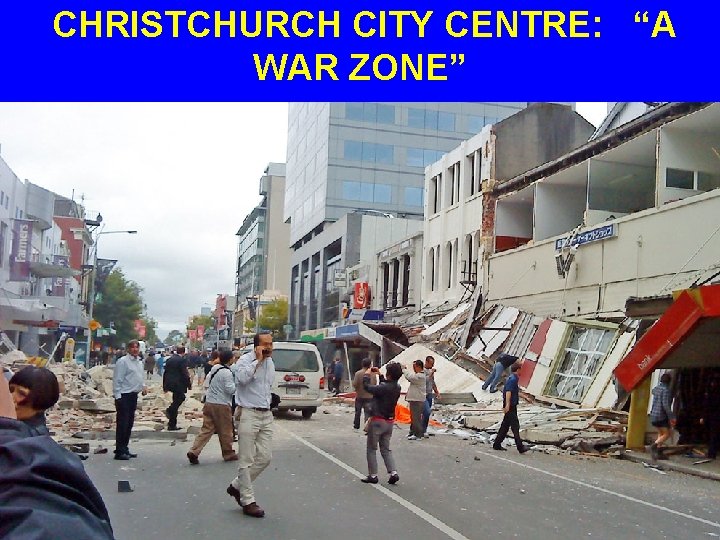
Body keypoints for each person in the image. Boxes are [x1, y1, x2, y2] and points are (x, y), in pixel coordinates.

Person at [0, 368, 115, 539]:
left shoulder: (33, 448)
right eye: (10, 390)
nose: (12, 399)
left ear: (40, 401)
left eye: (21, 394)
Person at [226, 332, 276, 518]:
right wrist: (257, 361)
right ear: (256, 346)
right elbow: (241, 380)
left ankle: (236, 486)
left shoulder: (271, 363)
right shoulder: (245, 361)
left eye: (271, 344)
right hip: (248, 413)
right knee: (246, 459)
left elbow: (266, 387)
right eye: (265, 344)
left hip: (266, 414)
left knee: (265, 457)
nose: (269, 347)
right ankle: (248, 500)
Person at [187, 349, 237, 465]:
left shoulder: (215, 368)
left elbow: (207, 382)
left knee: (206, 429)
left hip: (209, 403)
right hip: (222, 404)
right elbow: (230, 389)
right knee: (225, 430)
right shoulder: (227, 373)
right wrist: (238, 386)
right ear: (230, 359)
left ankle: (194, 451)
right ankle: (228, 453)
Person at [360, 361, 403, 485]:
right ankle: (393, 472)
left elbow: (368, 387)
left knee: (371, 448)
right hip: (389, 421)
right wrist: (380, 375)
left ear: (389, 374)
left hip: (378, 420)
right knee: (385, 449)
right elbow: (386, 386)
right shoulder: (397, 387)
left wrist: (367, 374)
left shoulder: (383, 388)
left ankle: (373, 475)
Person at [113, 339, 147, 460]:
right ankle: (119, 451)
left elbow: (140, 376)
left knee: (129, 424)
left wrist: (143, 386)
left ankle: (125, 448)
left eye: (137, 347)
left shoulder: (139, 362)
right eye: (132, 347)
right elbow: (117, 380)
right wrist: (118, 396)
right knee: (122, 424)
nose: (135, 349)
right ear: (128, 349)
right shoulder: (123, 362)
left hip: (133, 395)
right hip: (124, 395)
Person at [8, 365, 60, 435]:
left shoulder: (29, 437)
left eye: (22, 394)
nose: (10, 397)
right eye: (10, 390)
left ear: (41, 403)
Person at [492, 363, 528, 454]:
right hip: (511, 406)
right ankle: (520, 447)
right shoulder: (513, 379)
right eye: (521, 369)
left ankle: (497, 444)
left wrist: (524, 397)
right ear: (518, 370)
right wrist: (507, 405)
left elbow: (514, 391)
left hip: (511, 405)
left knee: (505, 426)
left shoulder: (512, 378)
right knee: (515, 426)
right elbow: (508, 392)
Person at [163, 346, 192, 431]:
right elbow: (184, 373)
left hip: (170, 383)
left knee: (176, 401)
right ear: (183, 352)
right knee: (180, 399)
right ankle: (170, 411)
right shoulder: (182, 360)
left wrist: (165, 385)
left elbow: (166, 373)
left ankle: (172, 424)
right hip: (178, 384)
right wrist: (189, 384)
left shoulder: (170, 359)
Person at [649, 372, 676, 460]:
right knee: (667, 434)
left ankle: (658, 452)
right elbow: (665, 405)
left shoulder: (656, 389)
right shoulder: (666, 390)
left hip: (653, 414)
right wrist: (672, 416)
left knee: (661, 433)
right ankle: (654, 446)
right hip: (661, 416)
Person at [403, 360, 426, 441]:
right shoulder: (419, 375)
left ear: (418, 367)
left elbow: (410, 377)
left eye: (414, 367)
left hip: (417, 400)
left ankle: (418, 434)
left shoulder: (420, 376)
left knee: (416, 418)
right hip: (415, 399)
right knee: (414, 417)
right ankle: (413, 432)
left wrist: (404, 369)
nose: (413, 369)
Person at [352, 358, 376, 430]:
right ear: (370, 365)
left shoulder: (358, 373)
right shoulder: (373, 374)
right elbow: (374, 384)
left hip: (360, 395)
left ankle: (356, 425)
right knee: (367, 412)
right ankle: (367, 426)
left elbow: (355, 384)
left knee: (358, 411)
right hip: (369, 396)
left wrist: (357, 389)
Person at [701, 375, 720, 460]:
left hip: (713, 417)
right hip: (715, 416)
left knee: (713, 434)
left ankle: (712, 453)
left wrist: (703, 417)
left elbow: (707, 405)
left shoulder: (711, 393)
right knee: (715, 434)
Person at [421, 356, 440, 438]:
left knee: (426, 414)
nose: (432, 366)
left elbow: (432, 382)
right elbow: (425, 380)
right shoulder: (422, 371)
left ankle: (423, 430)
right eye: (431, 364)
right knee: (426, 411)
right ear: (426, 362)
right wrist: (431, 373)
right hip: (423, 394)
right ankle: (419, 430)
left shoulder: (430, 371)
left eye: (433, 364)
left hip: (429, 394)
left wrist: (436, 392)